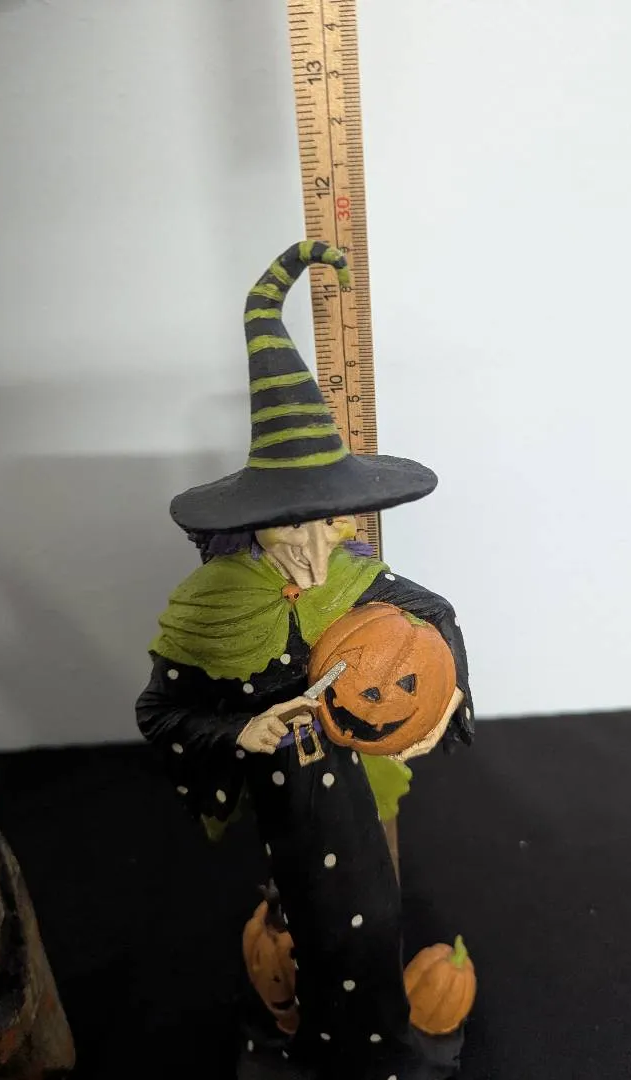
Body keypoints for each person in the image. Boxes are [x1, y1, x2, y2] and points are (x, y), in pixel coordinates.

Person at [136, 241, 474, 1080]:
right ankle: (308, 1038)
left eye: (330, 520)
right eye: (295, 521)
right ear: (254, 519)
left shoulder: (359, 581)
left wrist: (438, 706)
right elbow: (160, 712)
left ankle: (377, 1049)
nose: (318, 546)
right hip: (283, 801)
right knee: (303, 923)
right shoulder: (210, 603)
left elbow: (435, 618)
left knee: (371, 914)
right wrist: (238, 733)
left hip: (358, 793)